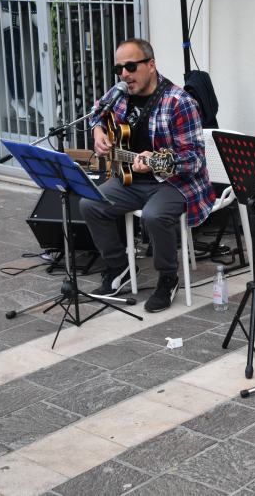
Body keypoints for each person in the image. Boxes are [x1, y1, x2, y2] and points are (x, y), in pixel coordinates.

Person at [80, 38, 215, 313]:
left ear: (151, 65)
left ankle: (167, 278)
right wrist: (98, 132)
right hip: (129, 178)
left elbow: (194, 158)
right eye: (119, 69)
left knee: (155, 216)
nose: (124, 75)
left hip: (175, 182)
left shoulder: (179, 102)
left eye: (131, 66)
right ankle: (119, 269)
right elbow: (96, 112)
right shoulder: (120, 92)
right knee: (90, 203)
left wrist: (158, 161)